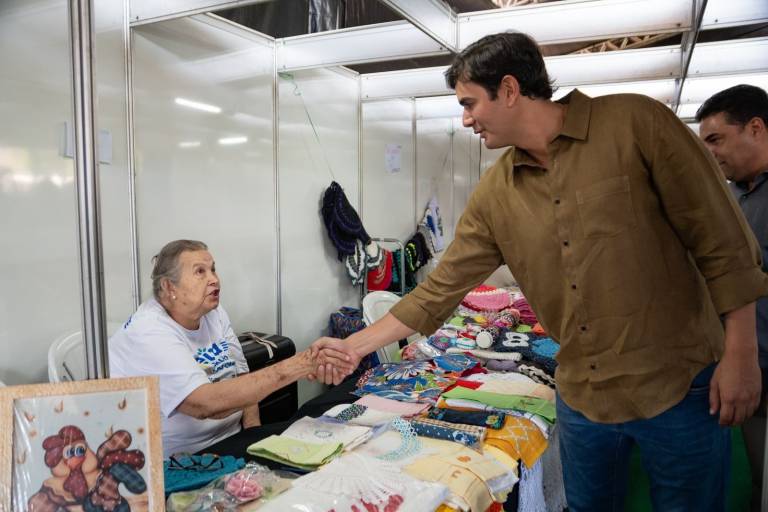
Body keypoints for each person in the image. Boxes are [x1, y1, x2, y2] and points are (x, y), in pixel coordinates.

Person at [312, 32, 768, 510]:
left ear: (509, 90)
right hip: (583, 398)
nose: (465, 119)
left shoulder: (637, 124)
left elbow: (722, 242)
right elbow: (439, 291)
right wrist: (353, 346)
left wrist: (741, 354)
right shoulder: (495, 193)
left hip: (679, 386)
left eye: (470, 103)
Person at [110, 240, 316, 457]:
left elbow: (242, 377)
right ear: (170, 287)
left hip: (230, 442)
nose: (214, 280)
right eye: (200, 272)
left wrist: (255, 438)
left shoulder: (213, 312)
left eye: (213, 269)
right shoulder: (148, 330)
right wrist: (298, 366)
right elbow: (204, 405)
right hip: (179, 461)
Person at [697, 84, 768, 511]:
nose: (710, 153)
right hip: (745, 365)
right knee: (757, 469)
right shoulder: (736, 195)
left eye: (716, 139)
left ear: (756, 128)